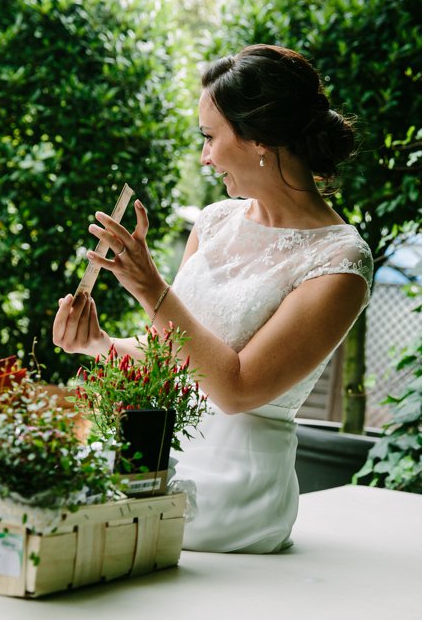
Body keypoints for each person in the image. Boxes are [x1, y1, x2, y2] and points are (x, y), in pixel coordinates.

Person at [53, 44, 373, 554]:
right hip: (157, 460)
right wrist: (98, 343)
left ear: (259, 137)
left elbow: (237, 389)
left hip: (238, 495)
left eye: (209, 137)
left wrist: (151, 289)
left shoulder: (341, 261)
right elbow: (170, 361)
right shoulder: (215, 221)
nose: (204, 157)